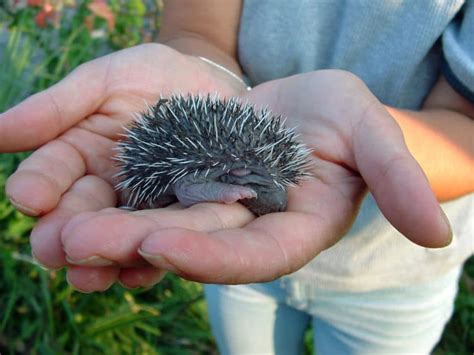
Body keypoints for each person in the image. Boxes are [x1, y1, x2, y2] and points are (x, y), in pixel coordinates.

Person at [0, 0, 472, 353]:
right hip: (239, 275)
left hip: (391, 279)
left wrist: (365, 148)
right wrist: (201, 65)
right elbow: (195, 31)